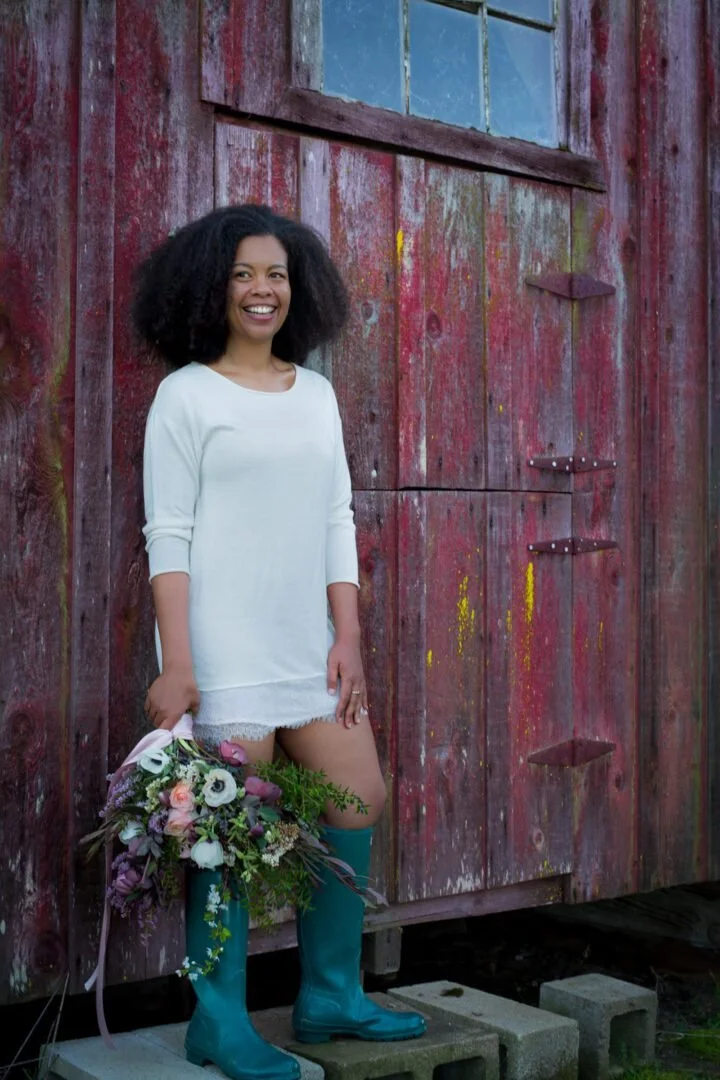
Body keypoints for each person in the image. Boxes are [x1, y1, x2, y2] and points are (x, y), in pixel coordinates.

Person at [133, 204, 425, 1080]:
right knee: (227, 826)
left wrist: (351, 637)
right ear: (210, 289)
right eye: (242, 276)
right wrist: (177, 662)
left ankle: (329, 994)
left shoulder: (318, 394)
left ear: (298, 291)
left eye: (276, 276)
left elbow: (337, 516)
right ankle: (217, 1021)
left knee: (355, 795)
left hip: (308, 642)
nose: (262, 291)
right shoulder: (185, 394)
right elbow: (169, 534)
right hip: (221, 646)